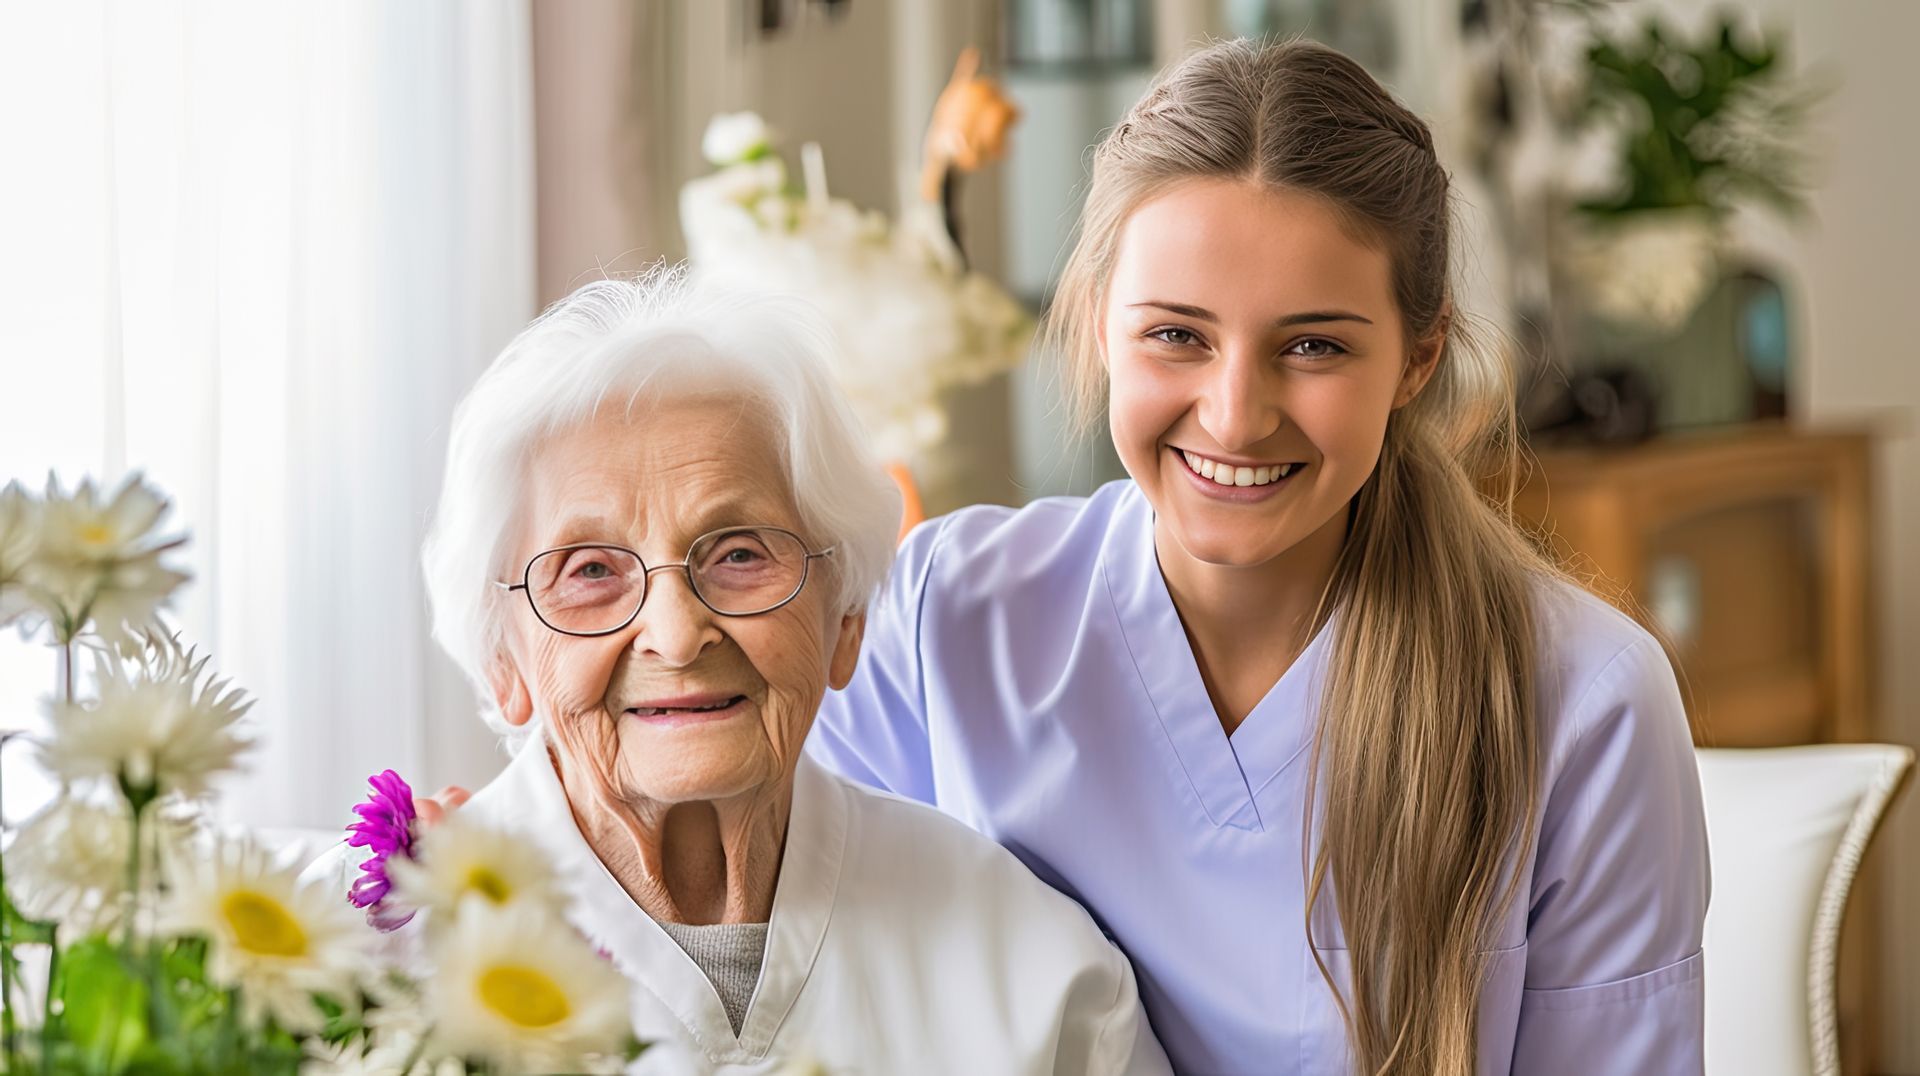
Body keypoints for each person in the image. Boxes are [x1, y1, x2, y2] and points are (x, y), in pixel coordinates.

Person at [806, 39, 1710, 1075]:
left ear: (1418, 357)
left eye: (1314, 345)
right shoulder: (942, 616)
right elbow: (807, 988)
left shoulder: (1582, 702)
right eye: (1176, 336)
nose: (1235, 416)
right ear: (1102, 324)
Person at [349, 272, 1170, 1075]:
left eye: (741, 553)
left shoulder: (1032, 963)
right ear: (503, 662)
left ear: (845, 621)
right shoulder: (362, 961)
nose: (674, 636)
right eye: (592, 571)